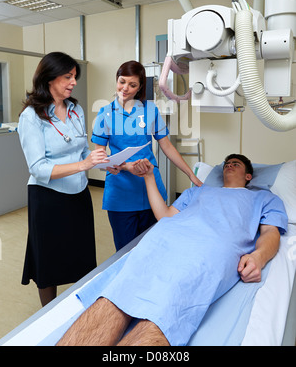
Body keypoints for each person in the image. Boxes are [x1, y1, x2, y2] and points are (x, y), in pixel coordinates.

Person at [57, 154, 288, 346]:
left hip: (208, 250)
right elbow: (165, 216)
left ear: (248, 176)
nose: (229, 165)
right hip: (165, 240)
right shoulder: (197, 191)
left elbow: (270, 233)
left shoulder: (263, 198)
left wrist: (258, 257)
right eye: (227, 162)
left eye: (235, 164)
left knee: (165, 312)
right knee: (116, 297)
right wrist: (148, 177)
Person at [18, 52, 109, 307]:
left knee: (80, 254)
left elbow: (81, 149)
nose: (74, 82)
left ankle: (79, 308)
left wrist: (103, 162)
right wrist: (83, 164)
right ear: (49, 78)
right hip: (47, 198)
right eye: (68, 76)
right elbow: (38, 168)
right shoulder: (31, 116)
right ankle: (48, 313)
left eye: (75, 76)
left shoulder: (75, 109)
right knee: (49, 260)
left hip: (78, 193)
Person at [92, 60, 201, 251]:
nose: (125, 88)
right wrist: (127, 167)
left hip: (151, 190)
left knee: (154, 247)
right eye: (122, 81)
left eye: (132, 85)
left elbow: (167, 146)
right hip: (120, 192)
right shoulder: (104, 114)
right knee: (126, 252)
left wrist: (190, 174)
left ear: (140, 87)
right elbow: (99, 158)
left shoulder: (150, 110)